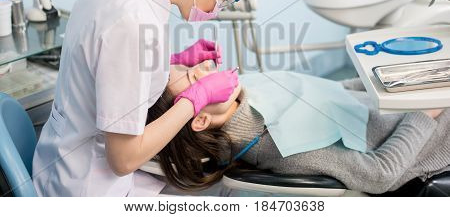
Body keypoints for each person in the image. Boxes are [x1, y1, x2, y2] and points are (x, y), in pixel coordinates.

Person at [32, 0, 255, 196]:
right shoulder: (133, 21)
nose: (220, 8)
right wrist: (195, 98)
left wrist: (167, 61)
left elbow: (109, 69)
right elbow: (123, 159)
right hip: (84, 189)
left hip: (60, 158)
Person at [146, 62, 450, 194]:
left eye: (187, 66)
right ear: (199, 119)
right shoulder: (280, 146)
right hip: (437, 136)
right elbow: (380, 174)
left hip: (402, 103)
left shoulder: (249, 92)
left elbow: (333, 90)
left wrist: (397, 82)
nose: (202, 67)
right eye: (192, 78)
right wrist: (425, 109)